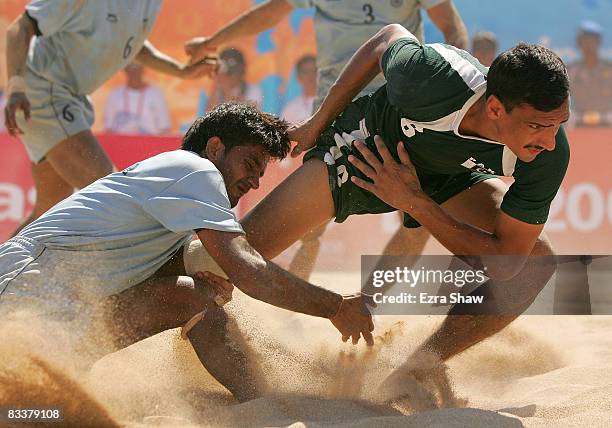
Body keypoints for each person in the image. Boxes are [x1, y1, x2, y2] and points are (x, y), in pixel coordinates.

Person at [185, 24, 570, 399]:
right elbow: (386, 37)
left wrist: (415, 201)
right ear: (497, 108)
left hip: (447, 178)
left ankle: (419, 367)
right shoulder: (430, 77)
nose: (550, 141)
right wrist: (319, 121)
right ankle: (186, 332)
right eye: (538, 126)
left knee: (536, 262)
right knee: (223, 262)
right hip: (365, 151)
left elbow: (505, 263)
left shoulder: (549, 152)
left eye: (558, 125)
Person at [0, 103, 374, 403]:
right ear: (215, 148)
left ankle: (262, 404)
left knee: (194, 296)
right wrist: (336, 307)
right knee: (27, 405)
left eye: (261, 173)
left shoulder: (180, 193)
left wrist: (201, 280)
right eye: (250, 163)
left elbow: (177, 270)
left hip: (65, 307)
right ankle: (263, 403)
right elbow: (249, 270)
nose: (254, 181)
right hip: (24, 287)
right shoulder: (195, 169)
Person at [185, 0, 469, 281]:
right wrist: (212, 42)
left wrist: (452, 92)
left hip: (398, 111)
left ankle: (368, 304)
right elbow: (272, 11)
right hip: (334, 110)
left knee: (417, 217)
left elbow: (452, 26)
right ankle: (281, 305)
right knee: (312, 224)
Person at [4, 0, 216, 237]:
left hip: (67, 97)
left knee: (47, 211)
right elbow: (20, 28)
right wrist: (16, 86)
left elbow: (133, 44)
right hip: (45, 91)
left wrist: (181, 71)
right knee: (114, 199)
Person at [104, 62, 172, 135]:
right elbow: (108, 128)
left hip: (149, 144)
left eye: (137, 67)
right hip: (120, 144)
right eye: (131, 68)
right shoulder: (115, 95)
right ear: (125, 70)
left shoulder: (155, 95)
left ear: (143, 69)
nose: (134, 72)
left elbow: (165, 128)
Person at [567, 21, 612, 127]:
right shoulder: (571, 70)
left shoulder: (609, 69)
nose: (588, 45)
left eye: (592, 40)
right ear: (579, 43)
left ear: (598, 42)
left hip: (607, 117)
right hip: (578, 118)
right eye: (584, 40)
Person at [281, 55, 317, 124]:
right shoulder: (290, 109)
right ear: (299, 78)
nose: (311, 76)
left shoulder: (331, 102)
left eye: (315, 71)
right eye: (306, 72)